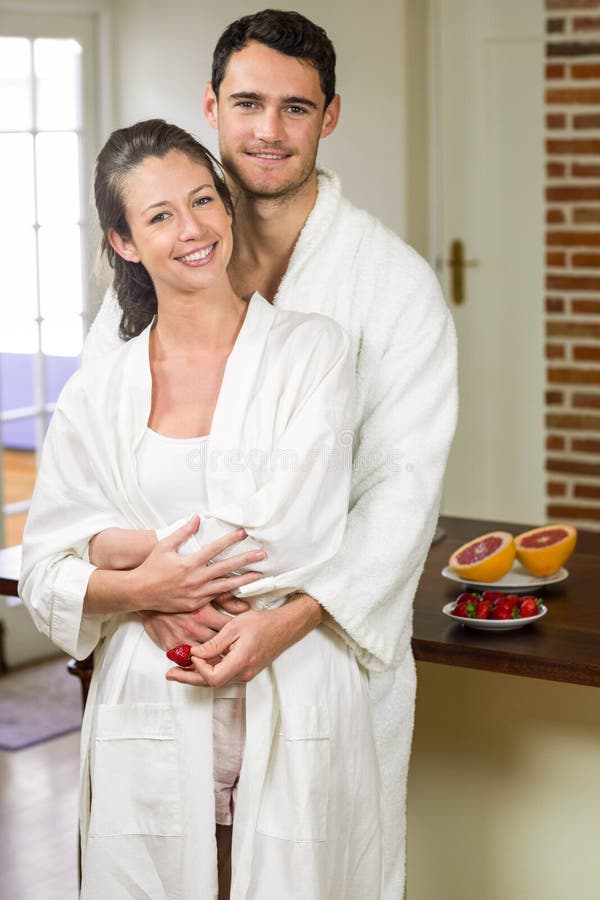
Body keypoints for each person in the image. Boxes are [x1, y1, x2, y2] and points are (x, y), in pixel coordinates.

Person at [81, 9, 458, 899]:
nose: (269, 130)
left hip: (312, 662)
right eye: (248, 103)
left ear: (331, 116)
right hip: (165, 661)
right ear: (212, 107)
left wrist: (280, 625)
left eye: (297, 108)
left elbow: (401, 497)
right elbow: (97, 459)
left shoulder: (394, 288)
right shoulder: (161, 268)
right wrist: (152, 595)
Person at [20, 119, 385, 898]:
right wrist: (140, 589)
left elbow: (294, 533)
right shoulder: (97, 393)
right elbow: (44, 569)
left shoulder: (312, 351)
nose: (191, 229)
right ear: (123, 242)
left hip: (294, 689)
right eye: (160, 216)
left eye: (202, 201)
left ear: (227, 204)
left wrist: (120, 555)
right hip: (152, 701)